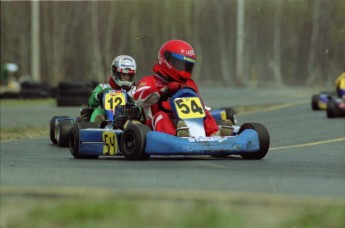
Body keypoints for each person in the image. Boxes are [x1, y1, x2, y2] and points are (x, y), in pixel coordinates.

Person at [133, 39, 233, 137]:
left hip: (186, 122)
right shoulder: (150, 81)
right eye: (180, 64)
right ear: (166, 60)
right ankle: (177, 136)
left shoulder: (189, 83)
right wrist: (164, 90)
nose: (183, 68)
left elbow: (200, 105)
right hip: (156, 126)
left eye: (187, 66)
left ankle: (215, 134)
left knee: (204, 112)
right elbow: (138, 98)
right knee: (160, 116)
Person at [88, 55, 137, 123]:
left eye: (129, 75)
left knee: (136, 112)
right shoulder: (103, 87)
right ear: (115, 73)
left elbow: (141, 108)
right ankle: (99, 124)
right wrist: (99, 96)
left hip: (128, 122)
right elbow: (91, 102)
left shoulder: (135, 90)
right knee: (97, 110)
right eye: (123, 74)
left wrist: (131, 101)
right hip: (106, 120)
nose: (126, 77)